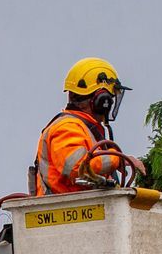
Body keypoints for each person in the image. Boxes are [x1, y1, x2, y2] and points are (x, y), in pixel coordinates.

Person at [29, 58, 147, 195]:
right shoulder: (67, 128)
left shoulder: (84, 128)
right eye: (110, 98)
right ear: (102, 100)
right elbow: (77, 167)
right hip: (64, 211)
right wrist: (117, 159)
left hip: (81, 208)